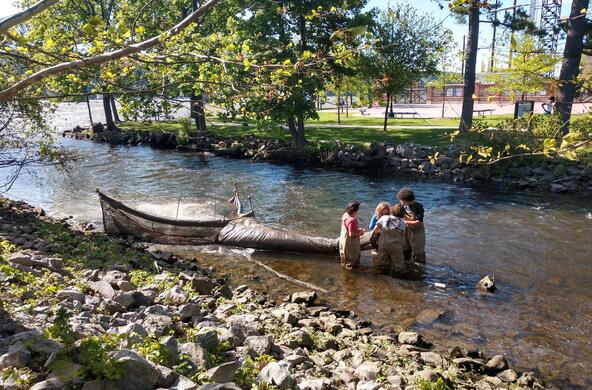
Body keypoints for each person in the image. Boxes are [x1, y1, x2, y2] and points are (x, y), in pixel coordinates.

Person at [392, 187, 426, 263]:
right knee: (405, 248)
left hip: (417, 230)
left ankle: (420, 266)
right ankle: (406, 263)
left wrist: (404, 222)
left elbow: (419, 222)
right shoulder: (402, 205)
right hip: (406, 229)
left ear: (406, 200)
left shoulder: (418, 206)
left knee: (418, 250)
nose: (400, 202)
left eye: (401, 200)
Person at [372, 209, 406, 274]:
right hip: (396, 246)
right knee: (398, 265)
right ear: (402, 214)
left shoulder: (384, 217)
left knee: (382, 263)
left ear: (392, 211)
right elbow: (403, 235)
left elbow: (376, 230)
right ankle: (395, 278)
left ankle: (381, 278)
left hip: (383, 244)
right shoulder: (402, 222)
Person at [339, 200, 364, 270]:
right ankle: (351, 277)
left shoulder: (345, 215)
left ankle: (343, 275)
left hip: (343, 242)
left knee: (344, 261)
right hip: (350, 245)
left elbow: (347, 229)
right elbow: (351, 235)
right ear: (355, 210)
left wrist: (357, 229)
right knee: (352, 264)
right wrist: (360, 232)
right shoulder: (352, 220)